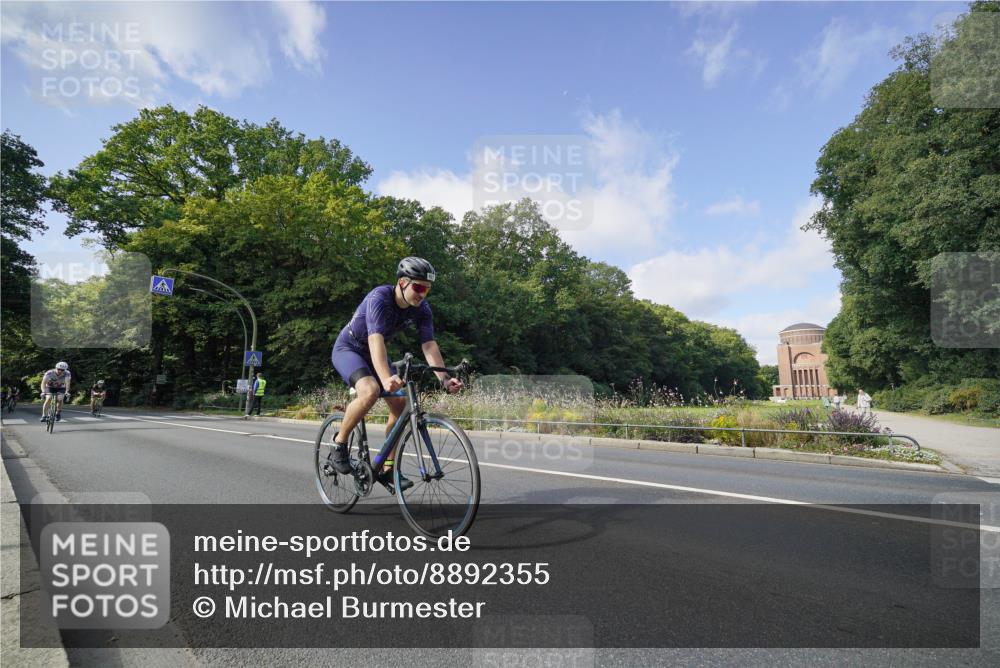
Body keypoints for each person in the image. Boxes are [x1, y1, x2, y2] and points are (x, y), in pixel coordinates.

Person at [329, 257, 463, 490]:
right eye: (418, 287)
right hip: (349, 349)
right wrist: (385, 379)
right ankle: (339, 444)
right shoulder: (379, 298)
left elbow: (428, 344)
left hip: (376, 353)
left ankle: (387, 468)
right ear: (402, 282)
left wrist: (443, 379)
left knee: (400, 404)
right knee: (370, 390)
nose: (422, 294)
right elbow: (375, 339)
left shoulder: (422, 309)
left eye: (427, 289)